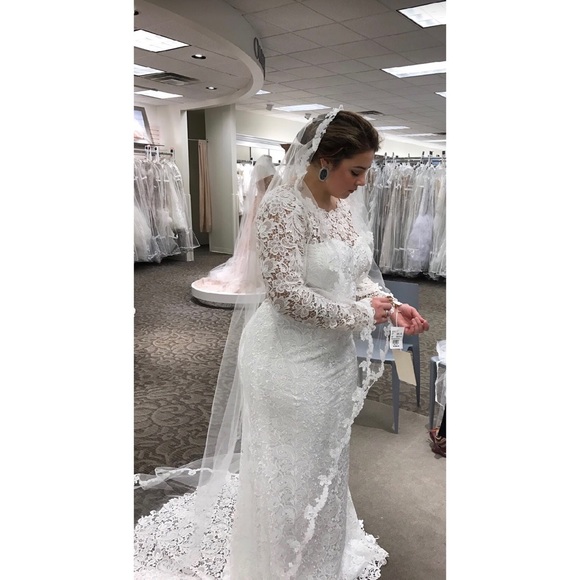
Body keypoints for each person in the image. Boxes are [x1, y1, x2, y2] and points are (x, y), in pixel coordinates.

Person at [134, 108, 430, 579]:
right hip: (285, 361)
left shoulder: (341, 208)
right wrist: (361, 315)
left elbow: (353, 277)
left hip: (331, 359)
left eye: (366, 171)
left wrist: (390, 305)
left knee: (323, 466)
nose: (362, 183)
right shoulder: (282, 206)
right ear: (325, 161)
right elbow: (286, 295)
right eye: (356, 171)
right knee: (289, 473)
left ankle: (317, 561)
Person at [195, 154, 277, 294]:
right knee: (257, 240)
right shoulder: (267, 170)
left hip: (260, 202)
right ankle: (258, 274)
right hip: (265, 203)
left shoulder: (260, 169)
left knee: (254, 239)